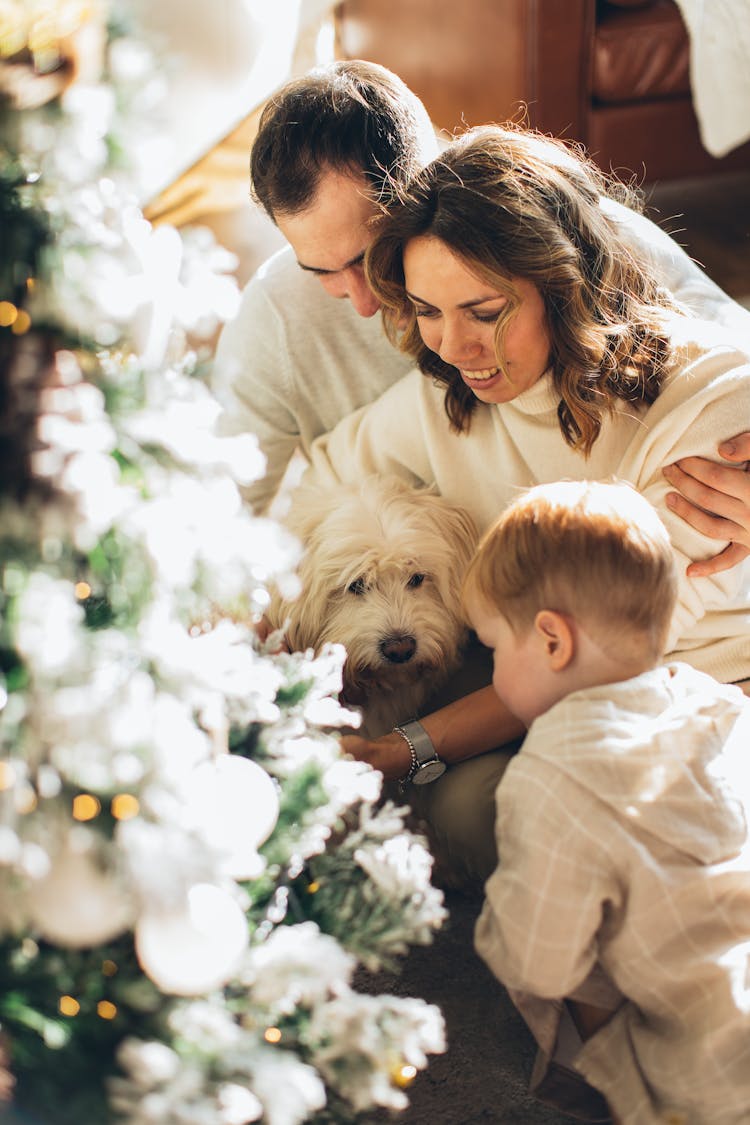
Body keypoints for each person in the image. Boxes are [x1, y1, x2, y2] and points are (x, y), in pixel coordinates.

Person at [291, 123, 750, 884]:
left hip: (710, 696)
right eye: (429, 312)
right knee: (474, 813)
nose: (454, 346)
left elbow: (578, 651)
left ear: (561, 284)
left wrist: (403, 749)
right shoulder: (444, 402)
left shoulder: (707, 411)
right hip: (574, 706)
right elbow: (310, 484)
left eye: (484, 310)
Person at [212, 60, 750, 567]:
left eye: (369, 255)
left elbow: (728, 354)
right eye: (321, 272)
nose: (363, 300)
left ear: (430, 187)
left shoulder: (558, 230)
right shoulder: (274, 318)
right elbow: (219, 513)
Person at [463, 478, 750, 1125]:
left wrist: (497, 921)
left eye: (493, 649)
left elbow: (540, 957)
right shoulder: (718, 703)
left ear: (552, 641)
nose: (494, 670)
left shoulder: (551, 773)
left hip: (709, 1076)